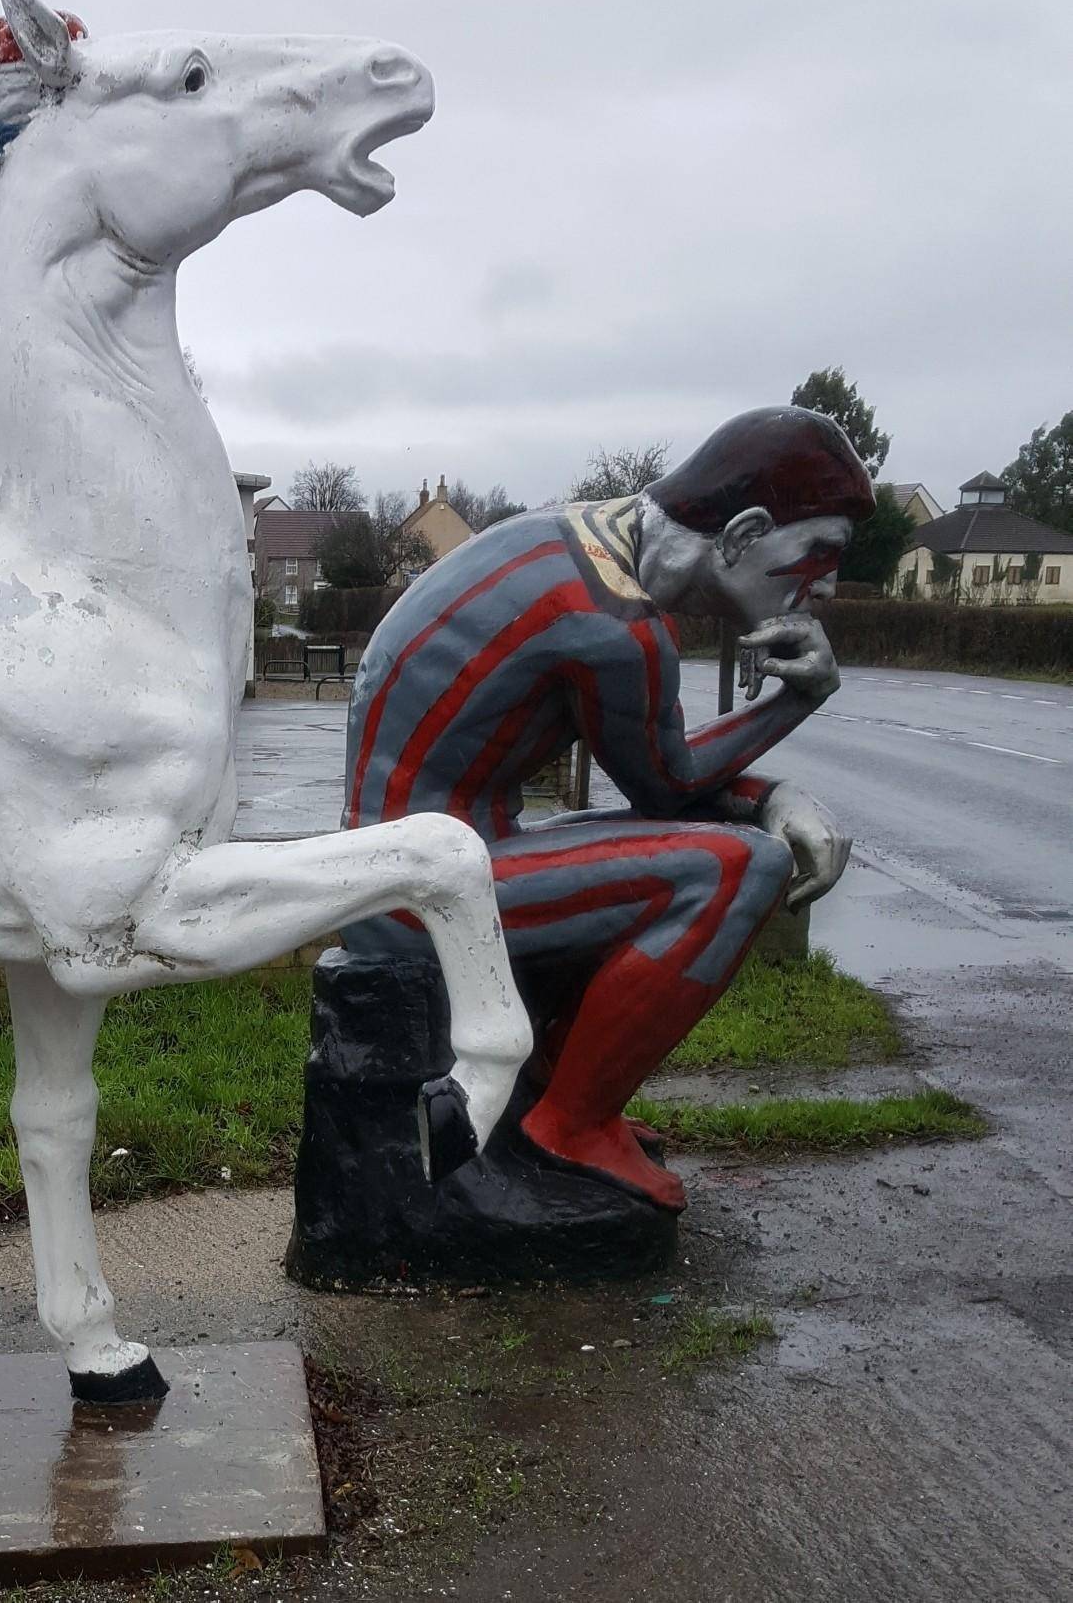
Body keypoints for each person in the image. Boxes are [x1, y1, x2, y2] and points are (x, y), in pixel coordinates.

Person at [342, 406, 874, 1210]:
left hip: (412, 862)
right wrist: (796, 703)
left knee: (692, 848)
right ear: (743, 533)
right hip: (412, 898)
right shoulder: (615, 620)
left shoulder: (578, 543)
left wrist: (762, 793)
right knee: (738, 867)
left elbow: (663, 782)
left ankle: (555, 1078)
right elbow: (669, 786)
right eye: (818, 552)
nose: (825, 584)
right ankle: (572, 1120)